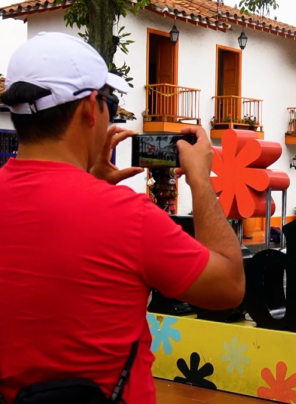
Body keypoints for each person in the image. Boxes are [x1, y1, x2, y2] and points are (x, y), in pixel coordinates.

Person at [0, 32, 244, 403]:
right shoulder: (128, 217)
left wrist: (89, 185)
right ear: (89, 108)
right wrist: (200, 181)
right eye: (110, 104)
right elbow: (228, 286)